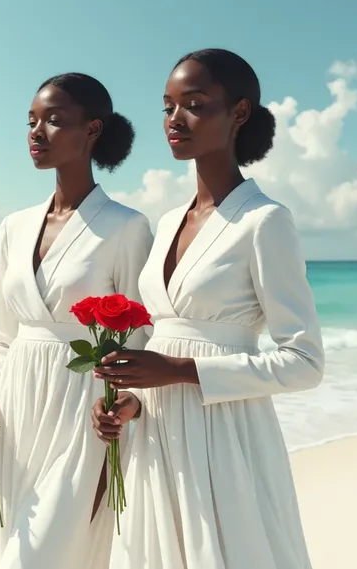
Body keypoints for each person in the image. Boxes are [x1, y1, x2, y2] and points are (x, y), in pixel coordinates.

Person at [92, 49, 324, 569]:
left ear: (239, 113)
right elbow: (162, 338)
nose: (175, 120)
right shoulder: (170, 220)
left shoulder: (265, 221)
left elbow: (305, 362)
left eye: (193, 105)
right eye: (168, 107)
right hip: (157, 436)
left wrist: (179, 370)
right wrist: (129, 401)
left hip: (226, 437)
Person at [0, 73, 153, 569]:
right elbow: (5, 337)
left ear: (92, 129)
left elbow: (145, 336)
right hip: (16, 419)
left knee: (38, 558)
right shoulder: (13, 227)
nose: (36, 132)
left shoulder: (126, 226)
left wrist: (130, 403)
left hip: (83, 415)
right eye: (31, 121)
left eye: (53, 120)